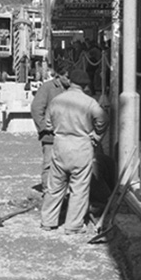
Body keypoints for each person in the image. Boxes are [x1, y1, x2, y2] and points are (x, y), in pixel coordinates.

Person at [40, 67, 109, 235]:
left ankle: (48, 221)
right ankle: (73, 225)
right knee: (79, 188)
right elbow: (103, 120)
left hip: (60, 145)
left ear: (70, 82)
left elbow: (48, 124)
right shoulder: (90, 102)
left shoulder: (57, 100)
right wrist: (96, 136)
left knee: (55, 186)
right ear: (85, 85)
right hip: (81, 146)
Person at [30, 60, 71, 192]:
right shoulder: (47, 88)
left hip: (67, 135)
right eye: (67, 77)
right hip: (51, 136)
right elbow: (36, 108)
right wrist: (44, 126)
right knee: (49, 163)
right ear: (59, 75)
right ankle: (47, 189)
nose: (69, 81)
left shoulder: (72, 89)